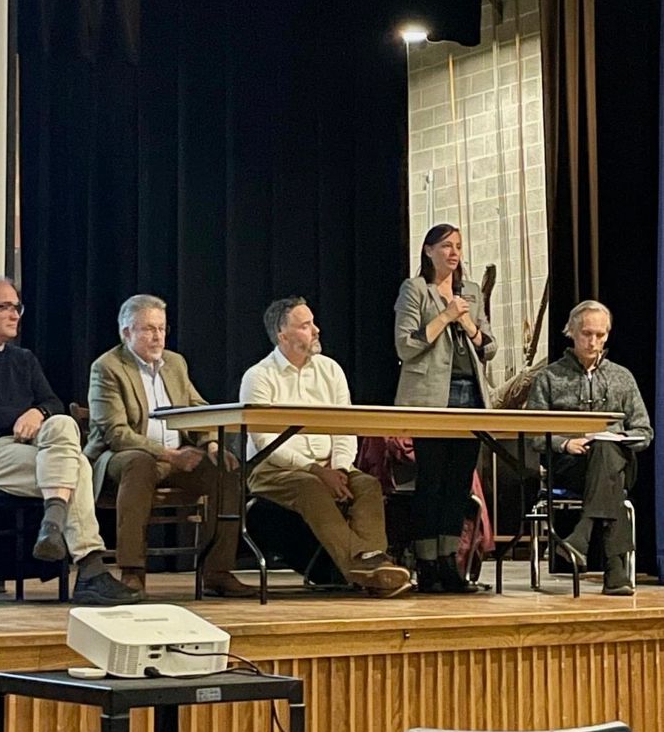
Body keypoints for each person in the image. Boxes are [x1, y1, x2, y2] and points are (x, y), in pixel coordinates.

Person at [0, 276, 139, 605]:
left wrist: (37, 412)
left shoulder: (23, 359)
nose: (15, 314)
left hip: (31, 451)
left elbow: (52, 402)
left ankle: (54, 522)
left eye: (17, 307)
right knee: (77, 466)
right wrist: (18, 418)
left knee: (63, 422)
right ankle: (89, 568)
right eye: (5, 307)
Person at [239, 296, 412, 597]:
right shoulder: (259, 376)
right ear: (283, 336)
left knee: (367, 485)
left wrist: (341, 468)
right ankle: (365, 568)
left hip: (331, 465)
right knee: (311, 487)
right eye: (305, 326)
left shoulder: (330, 370)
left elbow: (345, 427)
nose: (316, 330)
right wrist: (316, 470)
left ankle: (372, 563)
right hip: (273, 470)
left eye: (313, 323)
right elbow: (266, 442)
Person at [85, 294, 255, 598]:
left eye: (162, 329)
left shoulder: (175, 363)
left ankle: (217, 572)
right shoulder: (108, 367)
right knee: (139, 462)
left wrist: (212, 445)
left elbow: (198, 409)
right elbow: (116, 433)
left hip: (177, 458)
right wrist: (169, 455)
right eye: (149, 329)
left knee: (226, 469)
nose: (158, 336)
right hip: (120, 459)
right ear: (127, 333)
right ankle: (132, 572)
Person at [393, 223, 497, 593]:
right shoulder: (415, 290)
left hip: (470, 396)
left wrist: (467, 322)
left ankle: (449, 562)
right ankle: (426, 563)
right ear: (428, 251)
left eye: (458, 247)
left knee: (457, 484)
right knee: (432, 481)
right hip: (430, 398)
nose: (454, 253)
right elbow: (405, 346)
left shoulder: (469, 292)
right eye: (446, 246)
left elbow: (489, 347)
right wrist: (445, 316)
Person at [526, 300, 652, 595]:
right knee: (607, 473)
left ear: (607, 335)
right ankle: (615, 568)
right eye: (586, 333)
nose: (593, 341)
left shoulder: (622, 377)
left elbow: (644, 431)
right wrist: (566, 443)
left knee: (606, 450)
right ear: (571, 332)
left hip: (618, 461)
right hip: (570, 465)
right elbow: (533, 434)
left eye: (600, 334)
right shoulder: (548, 377)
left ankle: (581, 534)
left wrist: (620, 439)